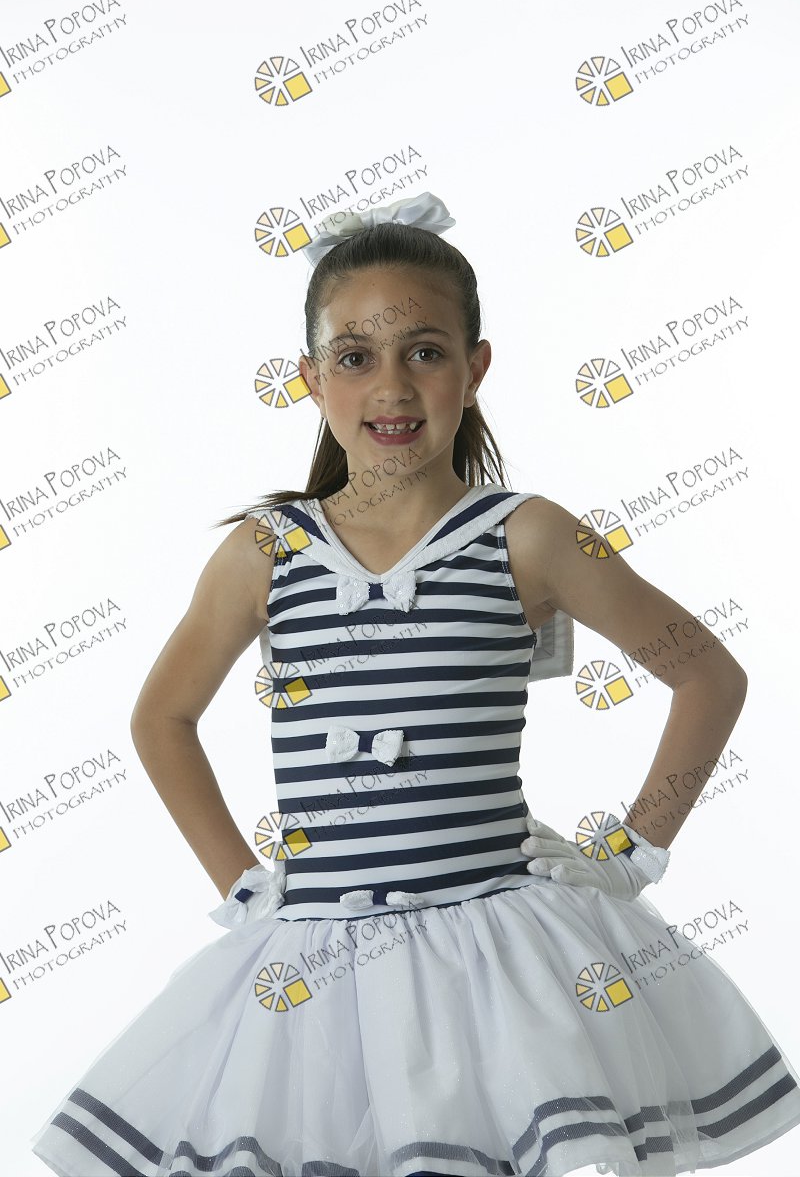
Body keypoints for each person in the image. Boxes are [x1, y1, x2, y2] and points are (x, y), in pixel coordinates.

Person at [29, 192, 800, 1177]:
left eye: (424, 352)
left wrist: (631, 853)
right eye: (354, 357)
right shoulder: (265, 553)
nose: (390, 386)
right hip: (319, 966)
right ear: (311, 380)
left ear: (474, 370)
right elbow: (163, 718)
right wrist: (242, 885)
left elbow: (706, 676)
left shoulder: (526, 535)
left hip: (502, 960)